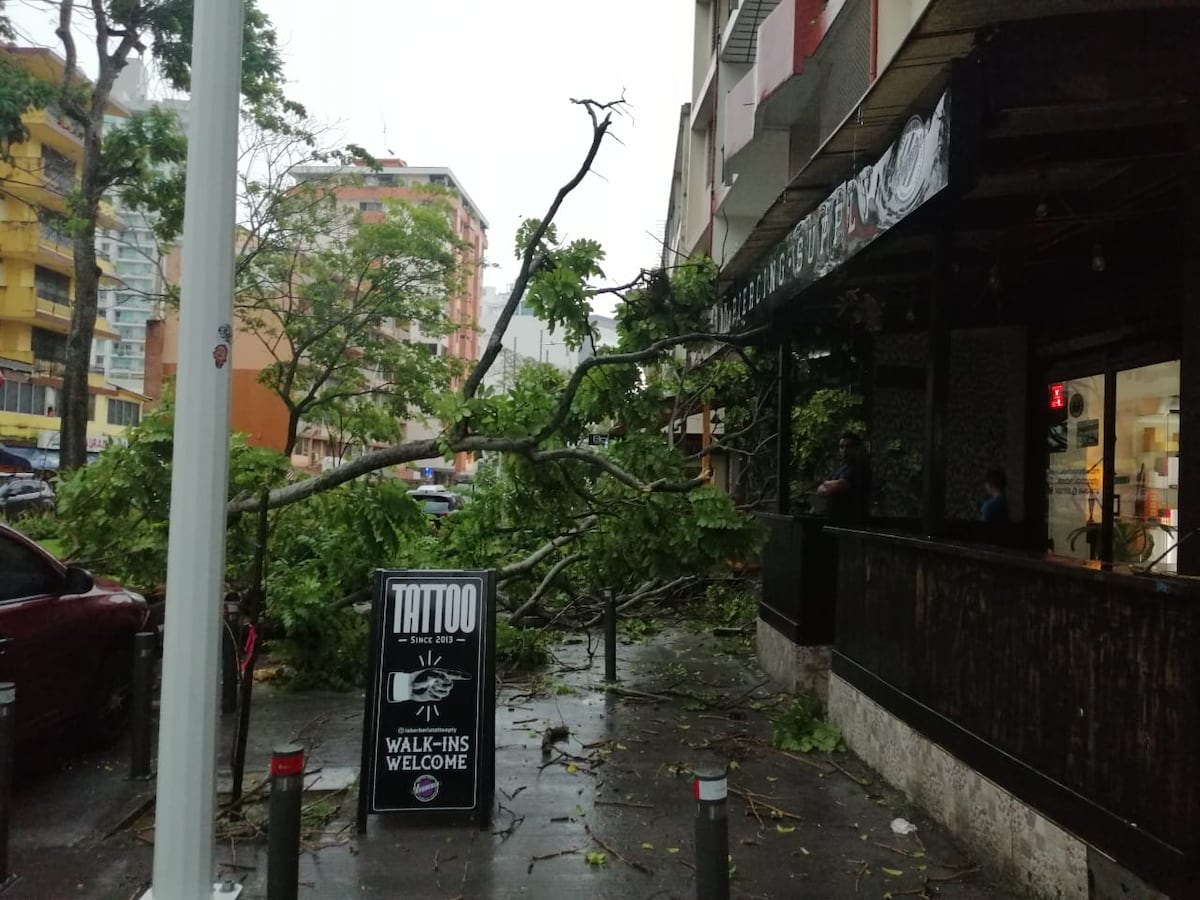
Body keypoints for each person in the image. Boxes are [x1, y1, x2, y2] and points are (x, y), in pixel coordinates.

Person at [817, 432, 872, 523]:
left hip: (851, 522)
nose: (844, 450)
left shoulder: (860, 468)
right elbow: (820, 489)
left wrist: (828, 484)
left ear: (857, 448)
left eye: (848, 446)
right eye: (841, 447)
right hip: (834, 520)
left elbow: (842, 485)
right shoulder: (840, 469)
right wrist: (830, 485)